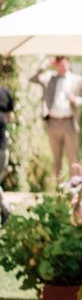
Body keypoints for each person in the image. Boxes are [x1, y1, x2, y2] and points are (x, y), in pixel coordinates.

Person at [29, 55, 82, 178]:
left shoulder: (78, 79)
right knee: (56, 159)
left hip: (69, 123)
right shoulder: (49, 78)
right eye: (58, 64)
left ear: (68, 63)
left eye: (63, 64)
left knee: (73, 158)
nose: (61, 67)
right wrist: (46, 63)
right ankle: (58, 192)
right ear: (55, 65)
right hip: (53, 123)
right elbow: (33, 78)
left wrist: (75, 100)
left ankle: (74, 189)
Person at [0, 85, 13, 224]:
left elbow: (9, 114)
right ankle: (5, 208)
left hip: (1, 148)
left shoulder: (4, 92)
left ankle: (5, 208)